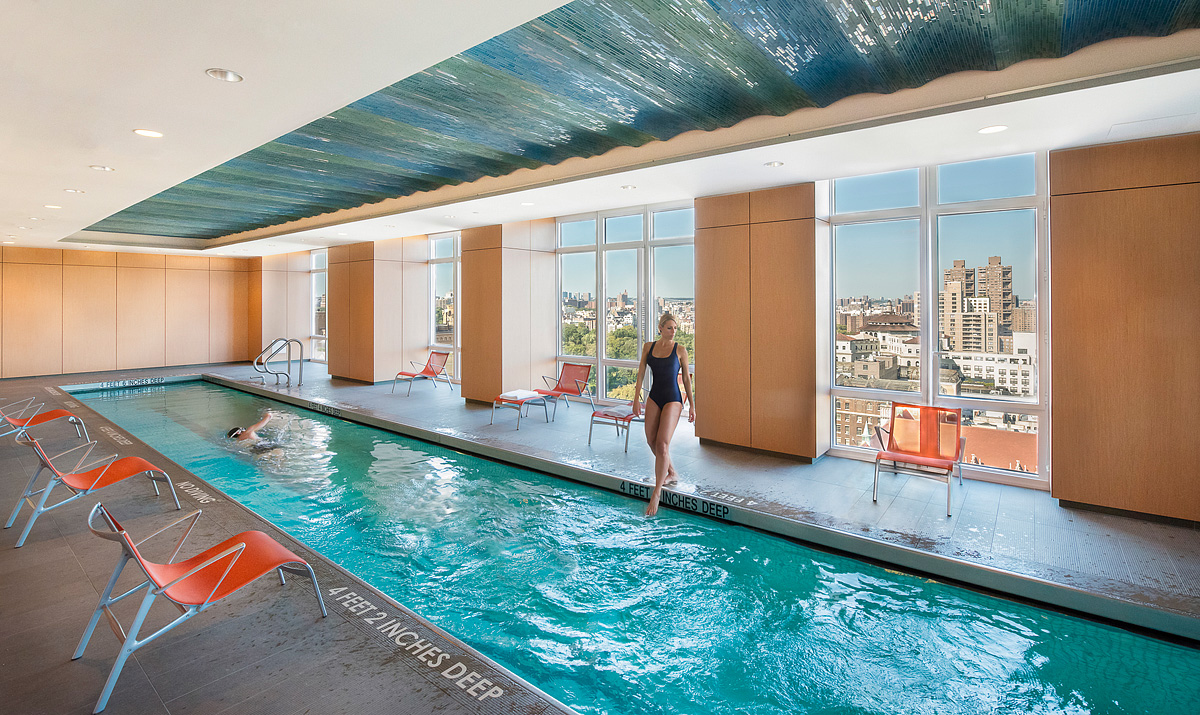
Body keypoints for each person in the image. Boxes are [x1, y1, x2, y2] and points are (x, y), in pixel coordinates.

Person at [632, 312, 695, 516]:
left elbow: (686, 379)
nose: (673, 331)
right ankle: (672, 472)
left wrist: (692, 405)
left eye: (675, 328)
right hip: (654, 396)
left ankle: (656, 492)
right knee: (651, 440)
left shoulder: (680, 350)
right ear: (660, 328)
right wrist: (636, 399)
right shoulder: (648, 347)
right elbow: (641, 373)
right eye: (669, 328)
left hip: (673, 399)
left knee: (662, 444)